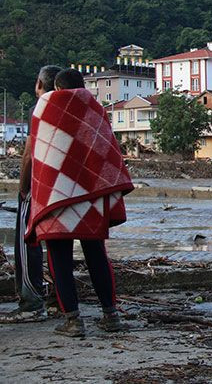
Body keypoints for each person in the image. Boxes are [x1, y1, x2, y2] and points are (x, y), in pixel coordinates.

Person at [26, 68, 133, 337]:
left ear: (56, 88)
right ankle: (111, 316)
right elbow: (106, 152)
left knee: (59, 257)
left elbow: (39, 156)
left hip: (56, 195)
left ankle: (74, 321)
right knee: (96, 253)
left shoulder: (44, 108)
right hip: (91, 195)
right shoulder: (96, 109)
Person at [0, 65, 61, 323]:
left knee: (28, 240)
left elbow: (29, 153)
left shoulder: (39, 108)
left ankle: (31, 302)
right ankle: (61, 300)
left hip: (39, 184)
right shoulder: (69, 110)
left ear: (39, 85)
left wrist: (23, 188)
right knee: (60, 242)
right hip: (64, 187)